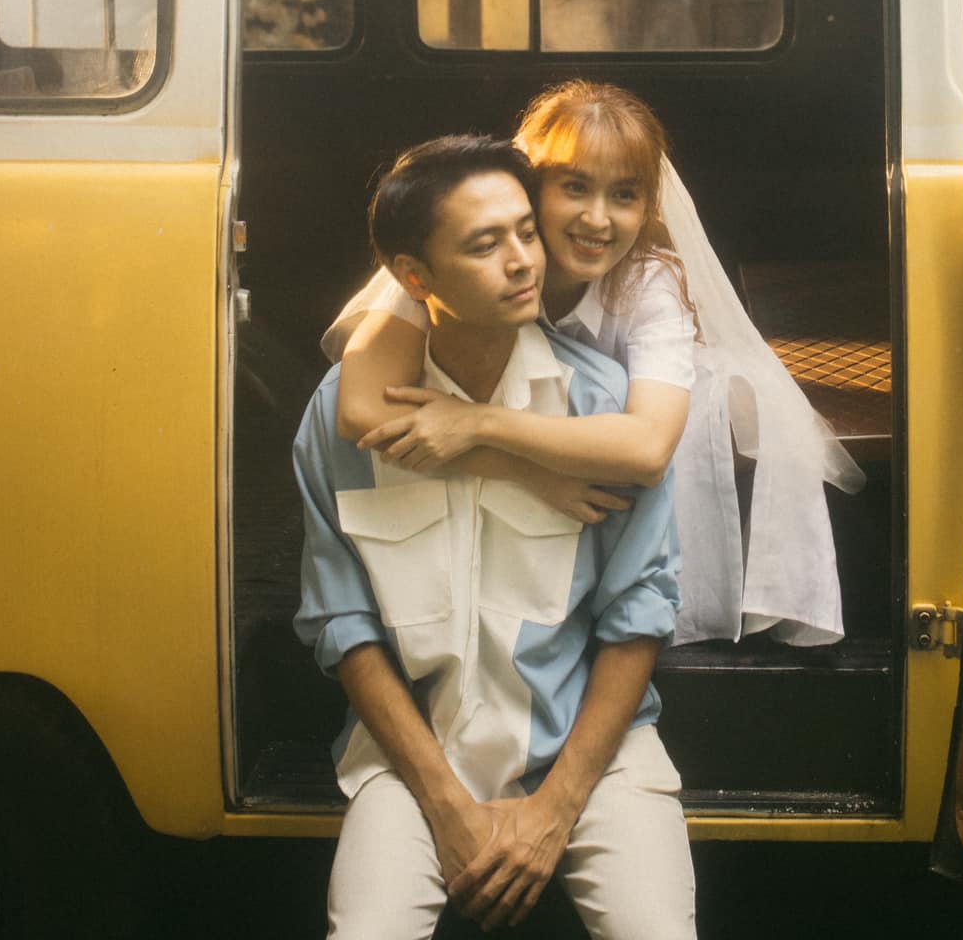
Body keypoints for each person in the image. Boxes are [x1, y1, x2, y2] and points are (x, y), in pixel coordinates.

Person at [294, 133, 697, 940]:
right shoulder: (343, 419)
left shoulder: (602, 409)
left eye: (525, 232)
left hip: (592, 759)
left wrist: (556, 809)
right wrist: (444, 803)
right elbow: (345, 626)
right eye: (485, 246)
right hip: (414, 761)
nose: (524, 262)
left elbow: (637, 618)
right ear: (413, 279)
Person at [324, 81, 861, 647]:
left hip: (638, 461)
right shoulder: (467, 257)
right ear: (531, 187)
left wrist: (476, 422)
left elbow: (648, 451)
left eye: (625, 195)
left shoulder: (650, 284)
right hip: (540, 472)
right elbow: (360, 408)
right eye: (575, 187)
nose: (598, 220)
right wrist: (521, 470)